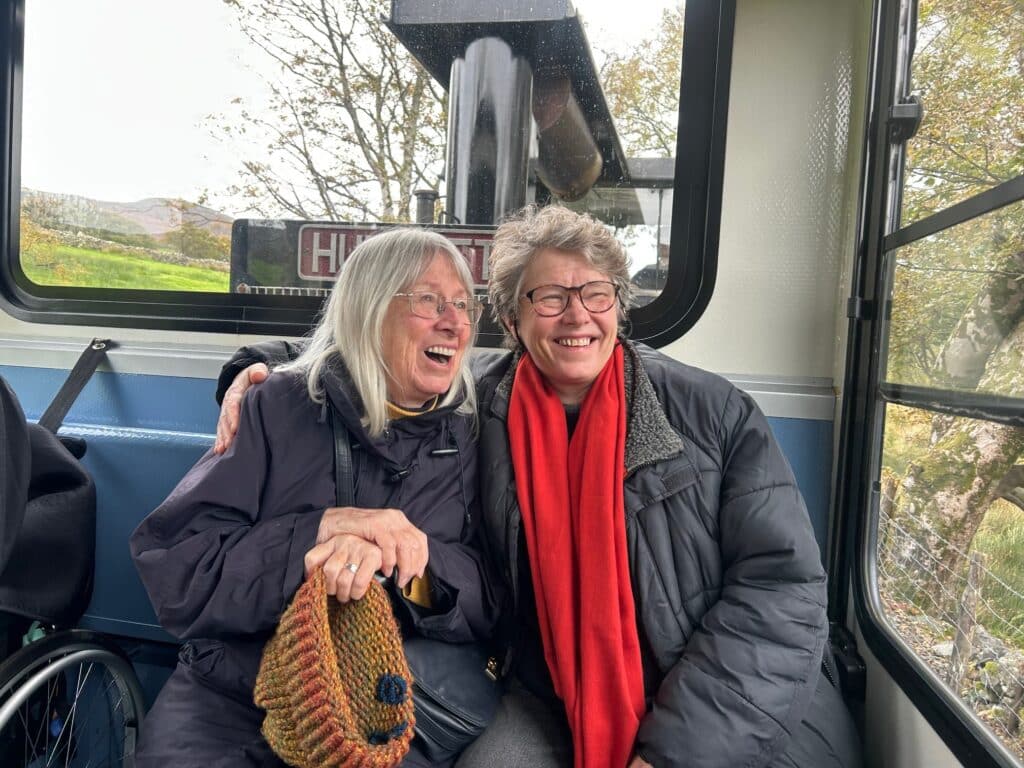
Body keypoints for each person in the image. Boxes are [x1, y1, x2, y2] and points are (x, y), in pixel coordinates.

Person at [215, 206, 862, 768]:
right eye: (549, 297)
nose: (577, 315)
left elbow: (782, 592)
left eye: (596, 294)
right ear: (512, 318)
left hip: (731, 697)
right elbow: (373, 357)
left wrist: (675, 753)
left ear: (618, 307)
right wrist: (261, 368)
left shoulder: (714, 414)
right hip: (547, 692)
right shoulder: (478, 404)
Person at [130, 227, 500, 768]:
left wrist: (411, 565)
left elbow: (493, 598)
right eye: (429, 300)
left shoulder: (472, 430)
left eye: (464, 304)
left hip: (380, 703)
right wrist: (320, 532)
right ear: (369, 308)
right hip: (235, 693)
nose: (455, 322)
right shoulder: (278, 405)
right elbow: (180, 574)